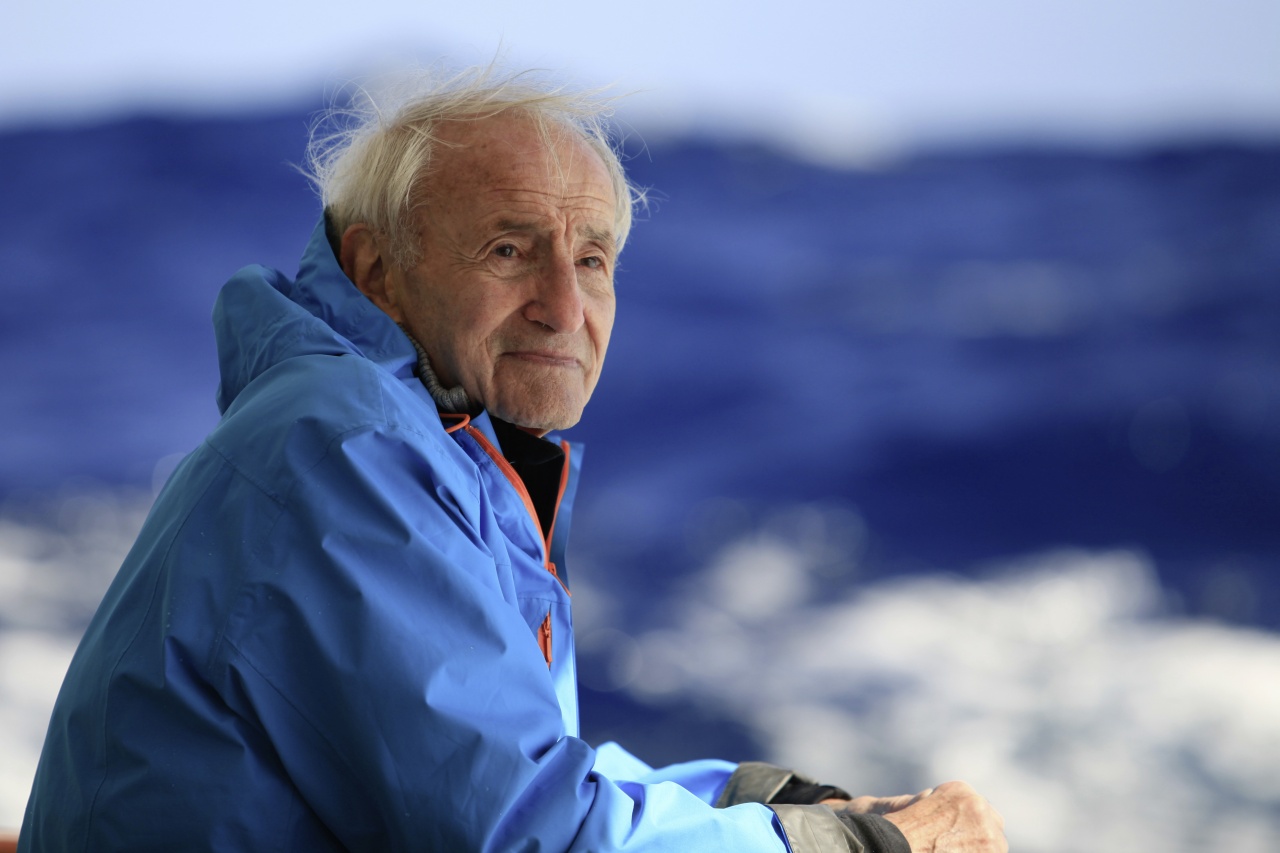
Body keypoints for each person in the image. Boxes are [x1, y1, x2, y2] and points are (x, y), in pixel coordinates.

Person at [19, 68, 1006, 852]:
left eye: (591, 259)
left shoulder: (422, 436)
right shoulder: (345, 443)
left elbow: (514, 764)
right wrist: (850, 844)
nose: (563, 307)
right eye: (508, 250)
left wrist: (766, 803)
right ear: (376, 269)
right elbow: (531, 833)